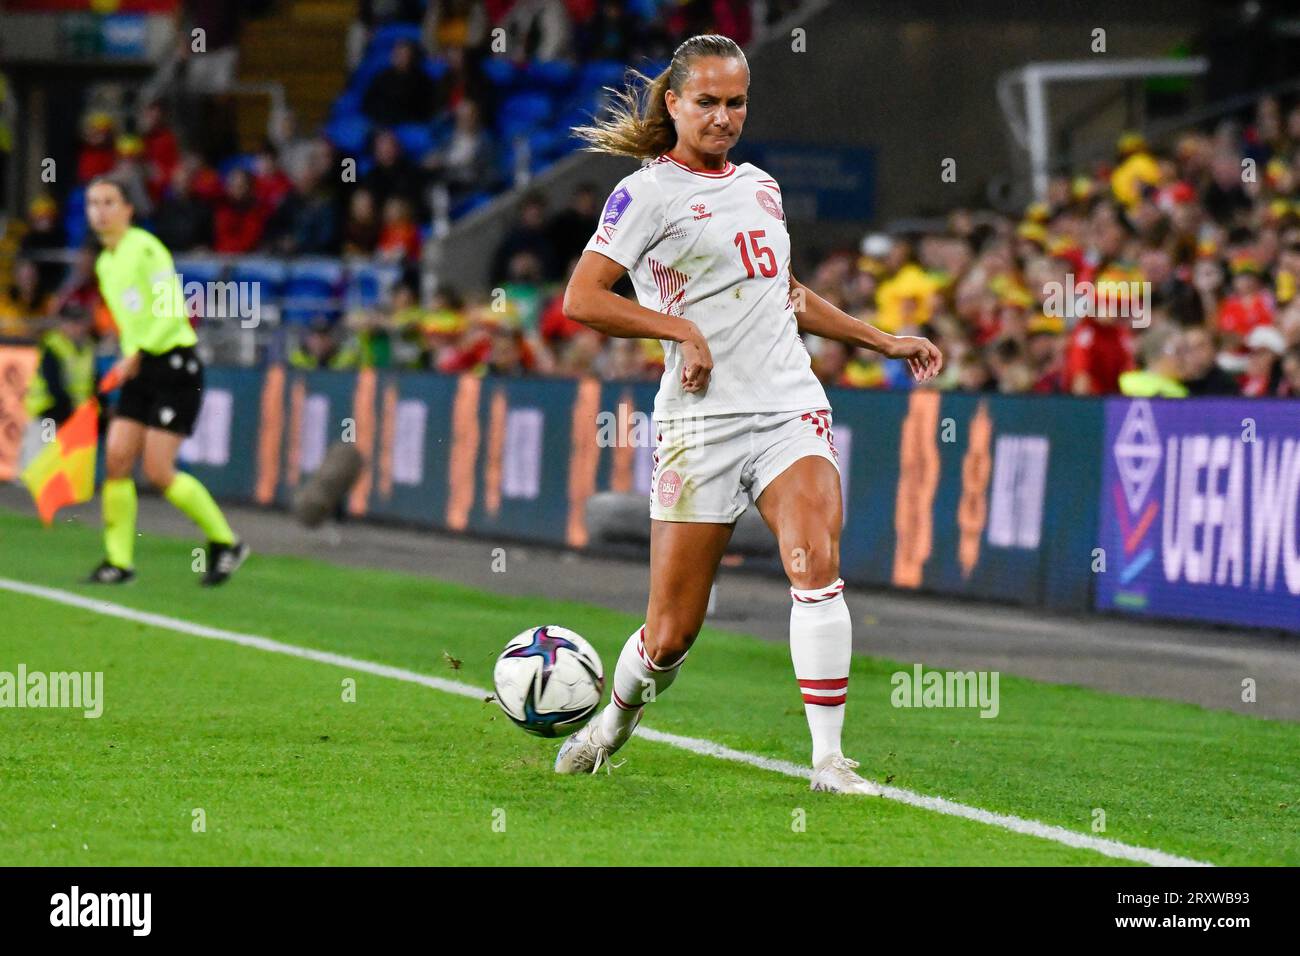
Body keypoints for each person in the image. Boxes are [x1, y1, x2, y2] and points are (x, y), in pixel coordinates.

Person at [554, 35, 942, 793]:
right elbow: (584, 298)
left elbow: (787, 294)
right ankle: (612, 723)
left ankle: (829, 760)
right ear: (673, 103)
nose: (725, 117)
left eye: (737, 103)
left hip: (788, 407)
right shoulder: (646, 194)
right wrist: (680, 329)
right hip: (700, 426)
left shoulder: (762, 186)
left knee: (815, 566)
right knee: (669, 637)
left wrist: (880, 339)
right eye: (709, 102)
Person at [84, 174, 248, 586]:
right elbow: (130, 322)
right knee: (118, 458)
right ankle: (118, 562)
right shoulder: (106, 262)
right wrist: (130, 353)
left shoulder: (145, 248)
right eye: (93, 203)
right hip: (141, 366)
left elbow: (172, 310)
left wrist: (136, 353)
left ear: (128, 210)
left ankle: (225, 541)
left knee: (158, 470)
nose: (99, 212)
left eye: (108, 202)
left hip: (175, 365)